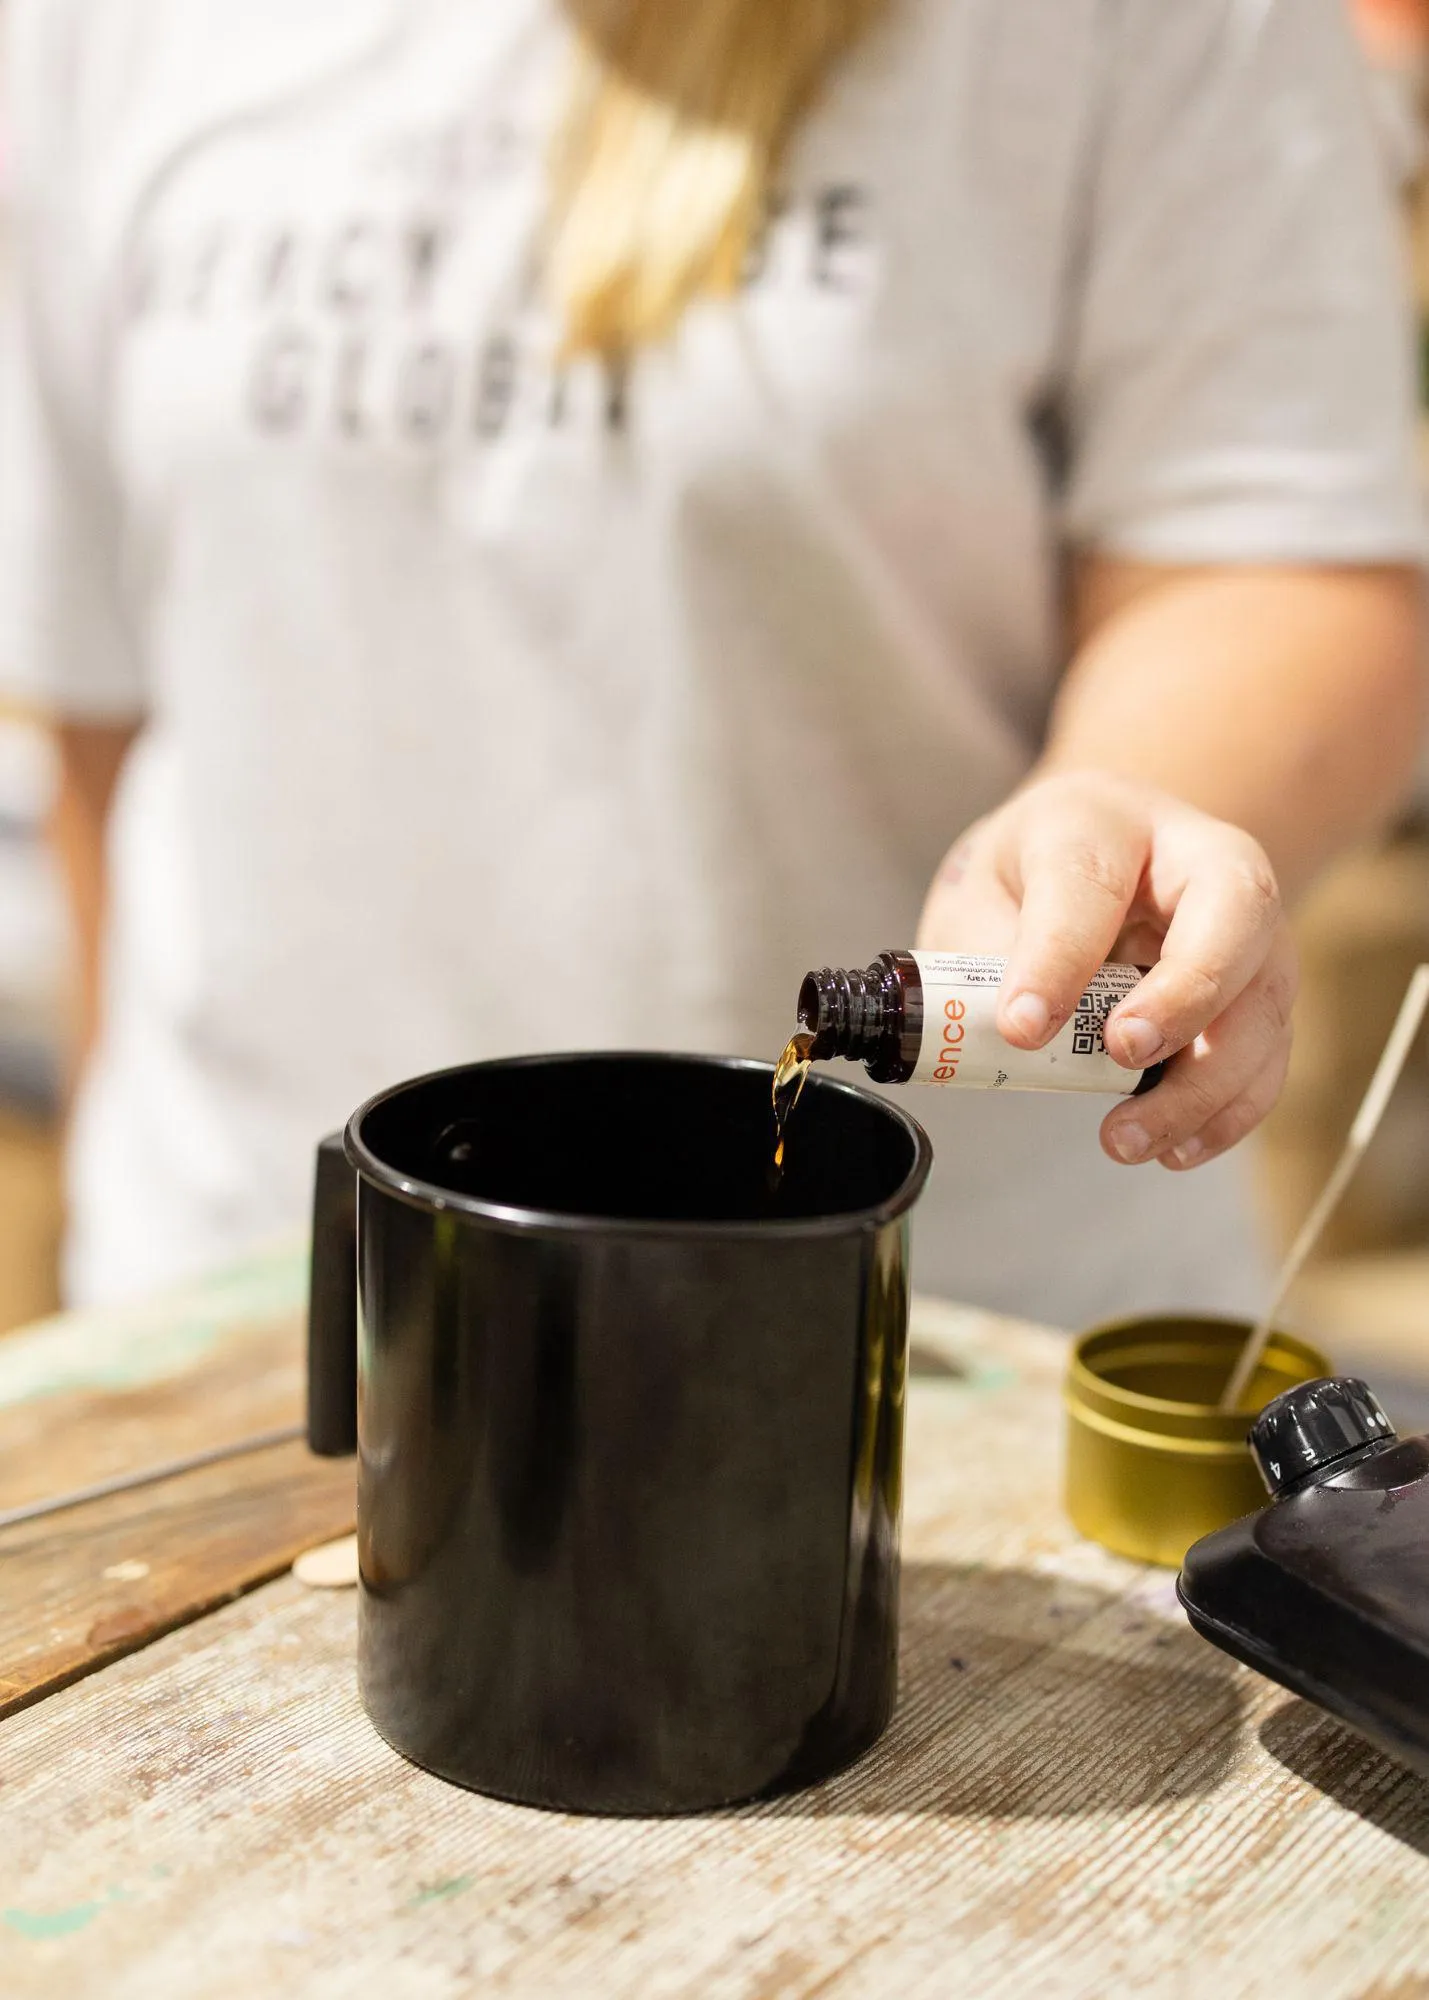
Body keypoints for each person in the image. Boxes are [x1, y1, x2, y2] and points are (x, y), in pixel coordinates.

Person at [1, 0, 1423, 1324]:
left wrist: (1116, 811)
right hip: (269, 1296)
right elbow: (97, 694)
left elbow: (1279, 545)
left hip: (948, 1327)